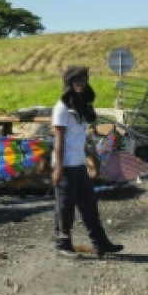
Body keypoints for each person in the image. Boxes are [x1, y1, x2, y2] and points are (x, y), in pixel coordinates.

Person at [51, 65, 124, 258]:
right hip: (65, 166)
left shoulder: (81, 107)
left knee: (89, 205)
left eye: (83, 80)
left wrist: (92, 159)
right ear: (69, 83)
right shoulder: (61, 108)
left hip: (79, 165)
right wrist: (58, 169)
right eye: (76, 81)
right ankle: (62, 245)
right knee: (64, 207)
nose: (80, 85)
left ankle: (100, 243)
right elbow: (59, 140)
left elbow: (82, 138)